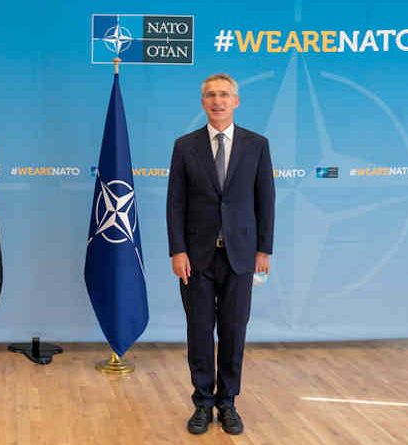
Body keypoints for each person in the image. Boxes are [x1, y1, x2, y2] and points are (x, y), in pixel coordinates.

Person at [166, 74, 275, 435]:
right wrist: (177, 250)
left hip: (241, 256)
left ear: (236, 101)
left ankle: (228, 403)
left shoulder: (257, 145)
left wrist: (264, 249)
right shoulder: (184, 146)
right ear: (203, 102)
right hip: (196, 258)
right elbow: (175, 203)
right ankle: (202, 403)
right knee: (199, 332)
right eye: (211, 95)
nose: (218, 100)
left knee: (233, 332)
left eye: (224, 95)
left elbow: (266, 200)